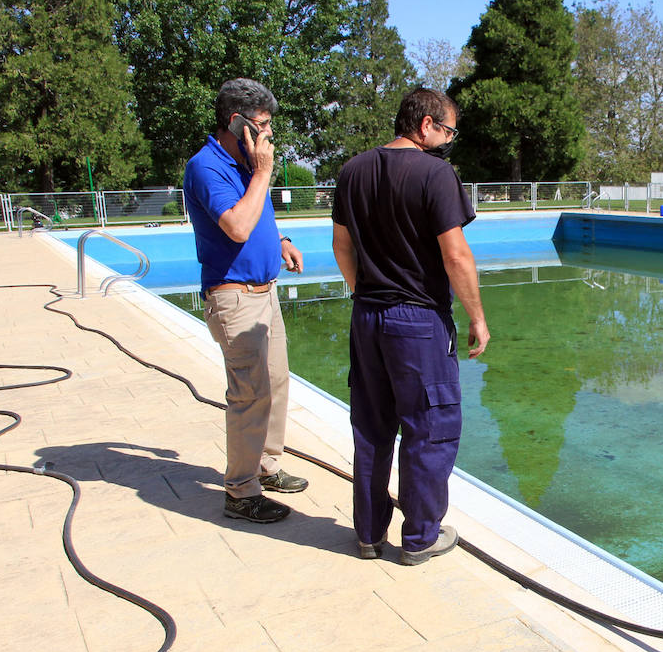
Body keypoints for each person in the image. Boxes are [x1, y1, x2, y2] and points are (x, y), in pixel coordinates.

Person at [331, 87, 489, 565]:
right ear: (425, 125)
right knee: (429, 429)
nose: (448, 141)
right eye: (447, 130)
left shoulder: (353, 170)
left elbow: (341, 246)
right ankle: (420, 537)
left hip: (368, 317)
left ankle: (368, 535)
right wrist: (477, 317)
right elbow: (456, 254)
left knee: (372, 427)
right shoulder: (435, 174)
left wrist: (366, 292)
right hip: (418, 321)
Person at [184, 78, 309, 523]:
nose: (269, 135)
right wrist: (262, 172)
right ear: (236, 124)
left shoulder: (243, 162)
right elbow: (235, 226)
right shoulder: (208, 166)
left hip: (265, 292)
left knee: (275, 383)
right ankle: (239, 492)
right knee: (249, 395)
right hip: (233, 297)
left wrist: (279, 241)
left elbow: (256, 220)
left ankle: (264, 466)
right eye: (262, 126)